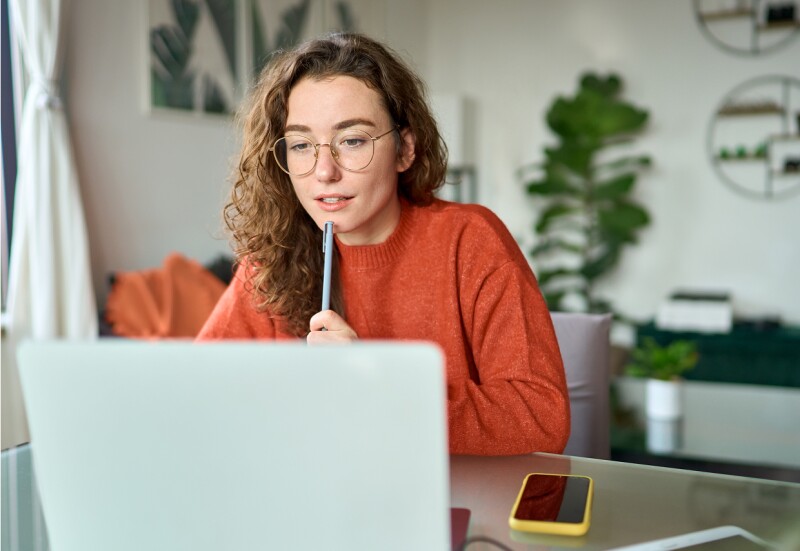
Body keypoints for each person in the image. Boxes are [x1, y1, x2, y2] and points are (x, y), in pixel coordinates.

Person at [197, 32, 570, 456]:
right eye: (301, 145)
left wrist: (380, 388)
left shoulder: (470, 241)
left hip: (447, 506)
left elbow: (541, 418)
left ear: (404, 149)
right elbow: (198, 394)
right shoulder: (271, 260)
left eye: (352, 140)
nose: (324, 172)